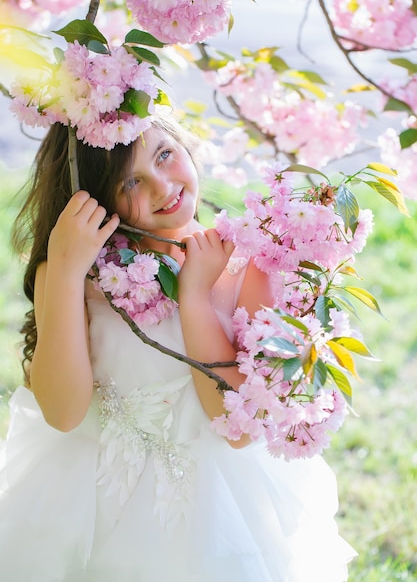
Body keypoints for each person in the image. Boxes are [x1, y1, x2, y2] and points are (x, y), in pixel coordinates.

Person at [0, 115, 356, 581]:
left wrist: (194, 297)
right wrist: (66, 272)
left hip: (216, 505)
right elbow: (63, 413)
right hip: (90, 496)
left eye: (165, 154)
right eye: (132, 181)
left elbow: (236, 427)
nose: (163, 186)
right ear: (93, 198)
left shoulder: (246, 262)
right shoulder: (77, 276)